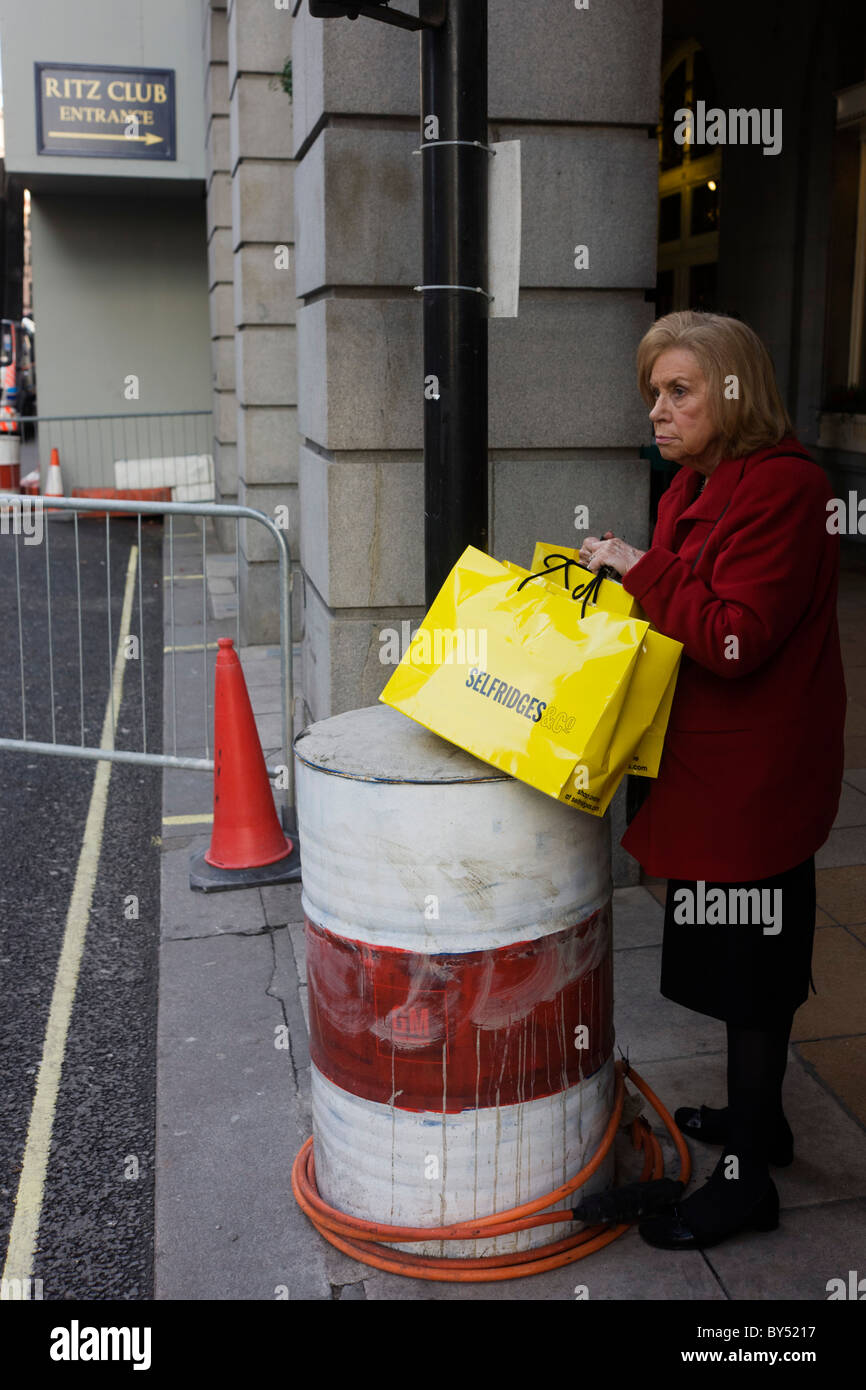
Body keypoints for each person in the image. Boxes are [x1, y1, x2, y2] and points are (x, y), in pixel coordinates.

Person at [579, 310, 846, 1251]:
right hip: (709, 767)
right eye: (654, 392)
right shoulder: (695, 483)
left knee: (753, 977)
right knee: (737, 965)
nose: (657, 410)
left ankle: (746, 1186)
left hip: (756, 779)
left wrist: (644, 570)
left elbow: (736, 639)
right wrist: (621, 581)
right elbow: (679, 610)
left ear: (735, 391)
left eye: (679, 391)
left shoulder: (787, 488)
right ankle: (758, 1123)